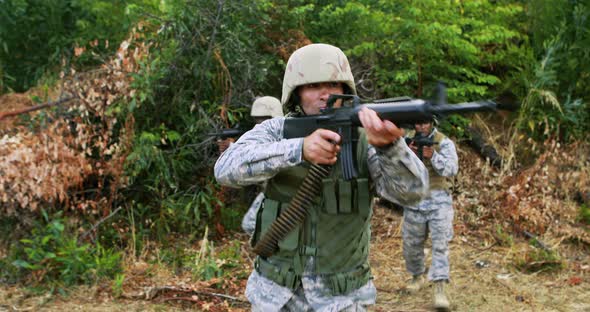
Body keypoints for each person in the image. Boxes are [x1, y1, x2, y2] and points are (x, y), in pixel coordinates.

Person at [215, 43, 428, 311]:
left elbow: (412, 193)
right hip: (277, 294)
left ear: (345, 90)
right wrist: (299, 149)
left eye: (332, 84)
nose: (325, 93)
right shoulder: (277, 131)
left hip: (342, 297)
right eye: (314, 86)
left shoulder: (367, 138)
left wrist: (390, 148)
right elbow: (225, 169)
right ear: (296, 93)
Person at [402, 118, 458, 310]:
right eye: (418, 123)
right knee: (411, 244)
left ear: (432, 123)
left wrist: (432, 155)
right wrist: (406, 152)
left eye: (425, 123)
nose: (421, 127)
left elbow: (451, 169)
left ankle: (440, 287)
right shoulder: (405, 140)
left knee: (440, 245)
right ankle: (417, 276)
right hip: (414, 198)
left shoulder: (444, 142)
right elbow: (393, 165)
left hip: (439, 200)